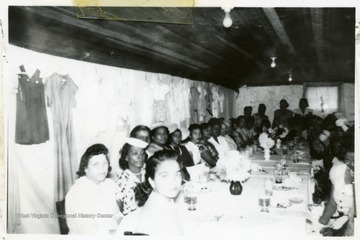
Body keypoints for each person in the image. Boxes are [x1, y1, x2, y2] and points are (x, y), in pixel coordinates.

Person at [117, 150, 184, 236]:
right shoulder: (155, 217)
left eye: (177, 174)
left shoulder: (163, 200)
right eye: (165, 176)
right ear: (152, 181)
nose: (173, 181)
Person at [65, 144, 121, 234]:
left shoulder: (109, 184)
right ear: (85, 168)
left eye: (105, 163)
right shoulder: (78, 193)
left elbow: (117, 214)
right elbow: (88, 232)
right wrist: (118, 232)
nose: (102, 168)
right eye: (95, 164)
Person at [318, 139, 354, 236]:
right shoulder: (338, 171)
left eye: (356, 160)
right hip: (339, 220)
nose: (352, 164)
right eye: (347, 160)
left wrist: (335, 233)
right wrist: (320, 224)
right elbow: (332, 202)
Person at [115, 138, 148, 216]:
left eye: (142, 153)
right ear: (126, 157)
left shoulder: (150, 175)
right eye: (135, 153)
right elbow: (118, 213)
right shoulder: (120, 182)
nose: (140, 157)